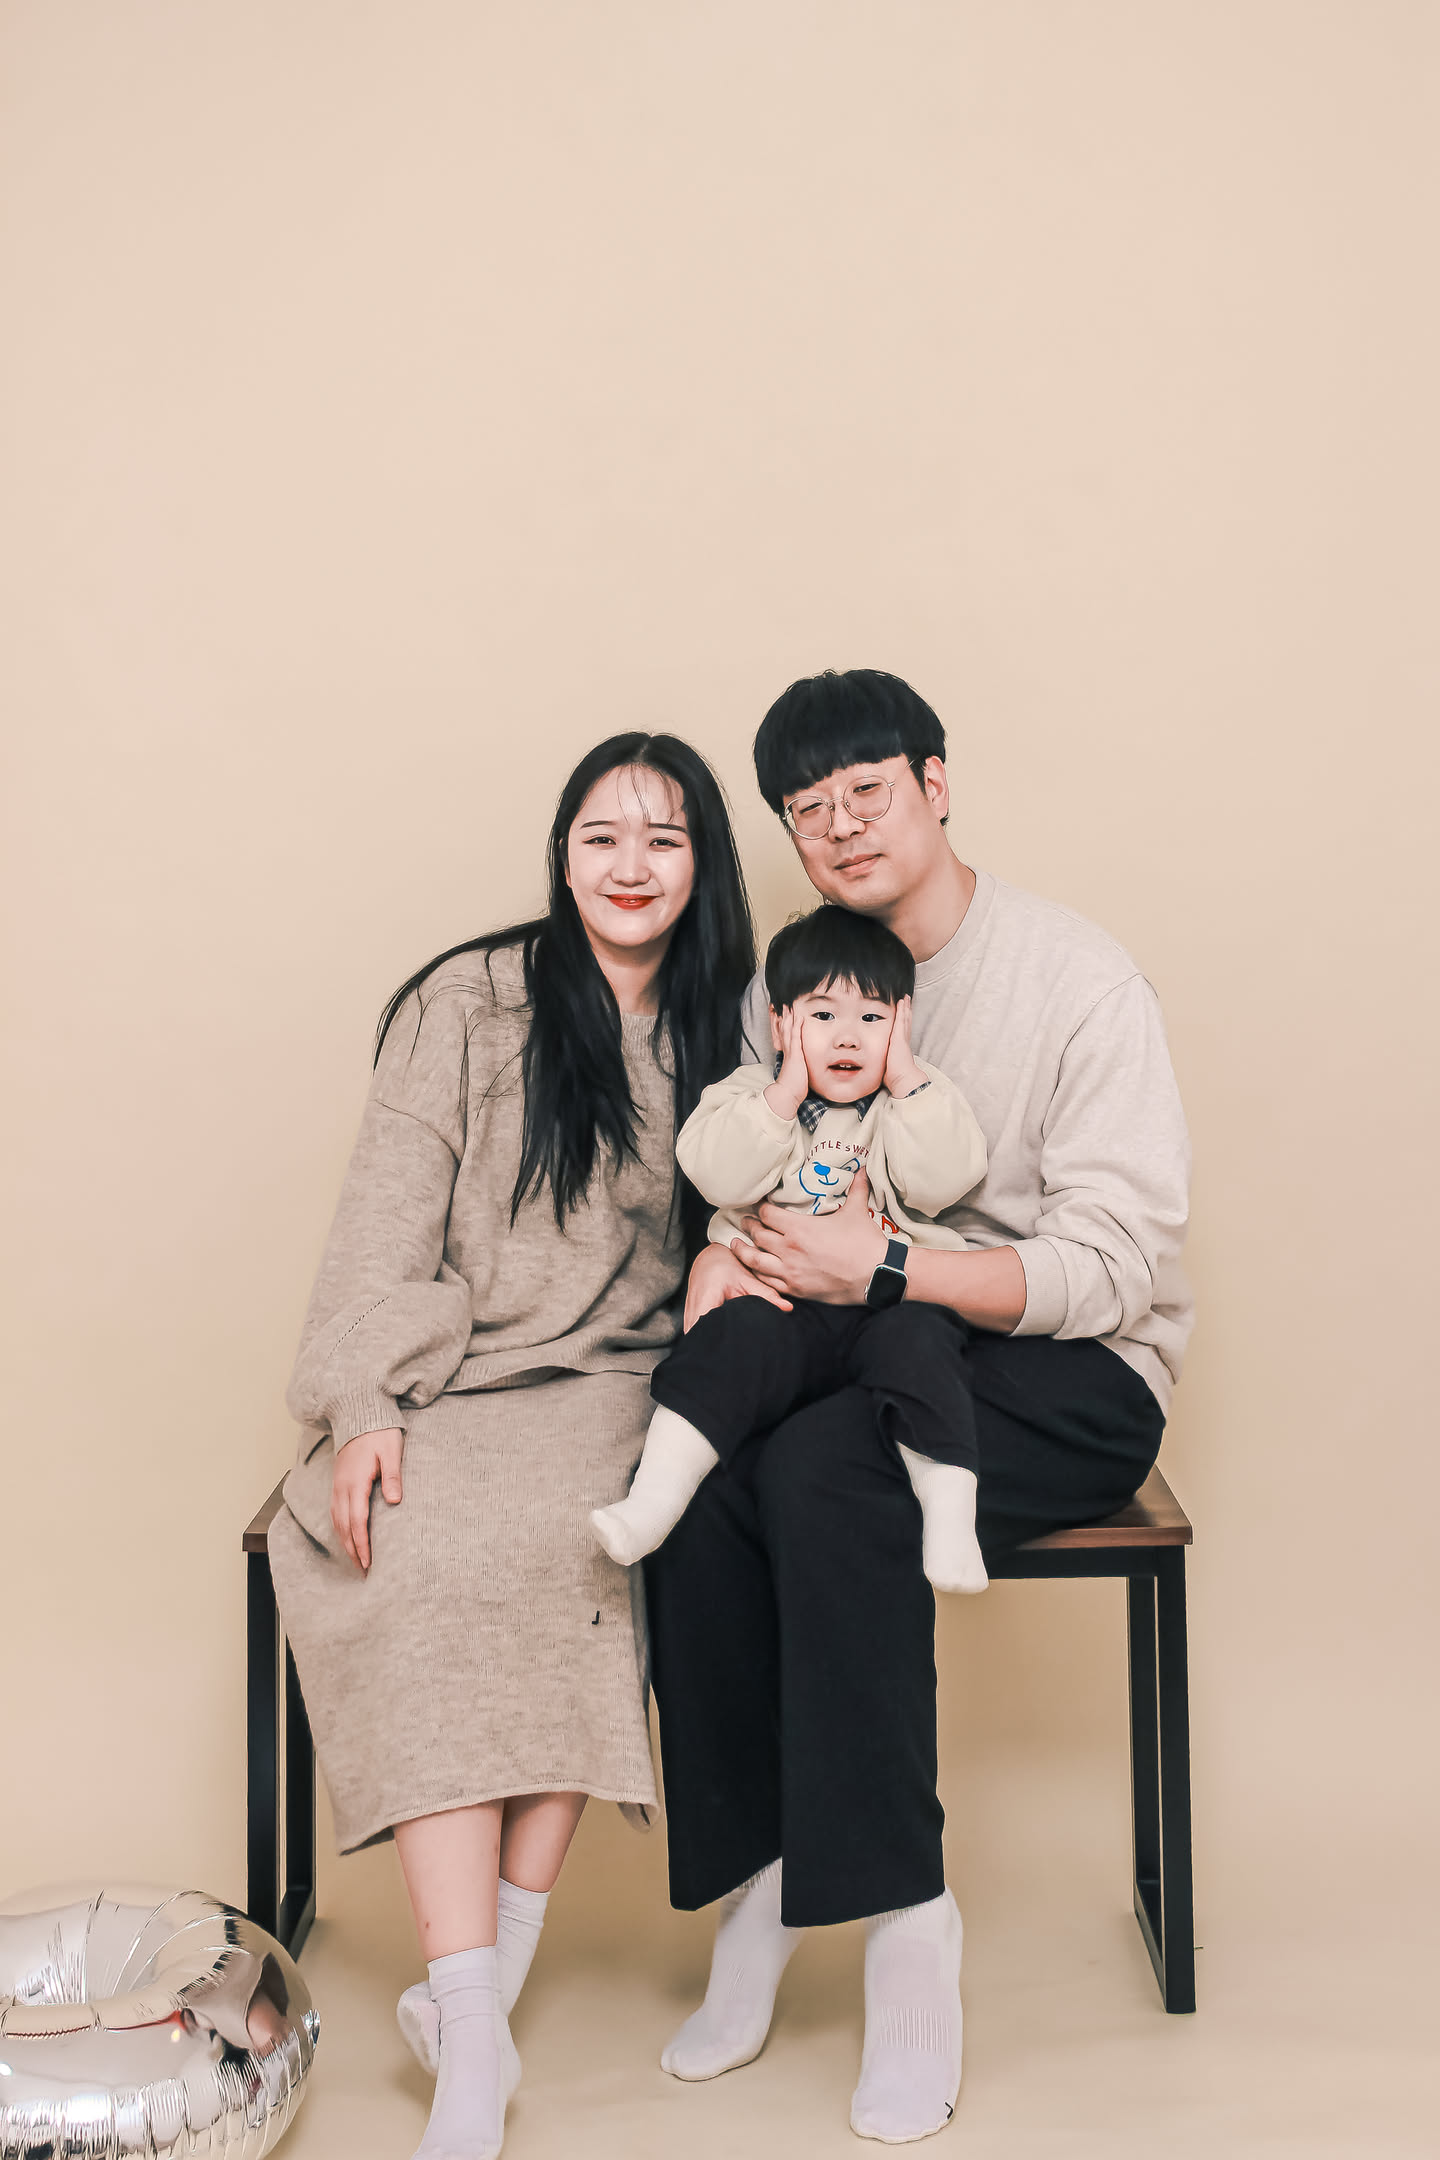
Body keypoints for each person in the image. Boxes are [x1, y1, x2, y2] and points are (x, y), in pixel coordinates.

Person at [643, 668, 1191, 2144]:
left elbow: (1116, 1271)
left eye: (866, 794)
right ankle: (760, 1885)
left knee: (830, 1470)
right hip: (858, 1331)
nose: (838, 828)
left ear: (936, 786)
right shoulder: (793, 981)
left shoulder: (1077, 979)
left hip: (1071, 1366)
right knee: (697, 1463)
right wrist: (720, 1259)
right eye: (805, 811)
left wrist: (888, 1267)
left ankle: (907, 1926)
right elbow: (751, 1164)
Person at [269, 734, 754, 2160]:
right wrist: (366, 1403)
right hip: (452, 1373)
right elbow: (381, 1217)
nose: (630, 865)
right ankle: (475, 2029)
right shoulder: (467, 1005)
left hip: (618, 1383)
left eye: (663, 838)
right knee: (417, 1562)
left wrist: (727, 1256)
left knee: (578, 1559)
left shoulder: (733, 1022)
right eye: (601, 836)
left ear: (703, 864)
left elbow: (777, 1197)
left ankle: (474, 2011)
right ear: (562, 855)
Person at [590, 904, 992, 1594]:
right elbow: (715, 1174)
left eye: (873, 1017)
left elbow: (944, 1180)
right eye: (823, 1014)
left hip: (886, 1304)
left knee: (925, 1349)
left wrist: (906, 1078)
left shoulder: (915, 1099)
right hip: (779, 1305)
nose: (848, 1036)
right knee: (727, 1341)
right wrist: (782, 1096)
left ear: (902, 1025)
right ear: (780, 1024)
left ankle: (951, 1520)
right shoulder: (749, 1095)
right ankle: (653, 1501)